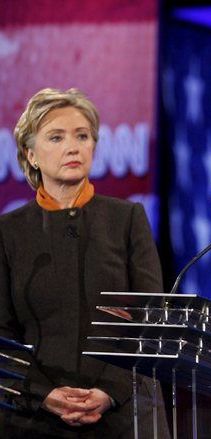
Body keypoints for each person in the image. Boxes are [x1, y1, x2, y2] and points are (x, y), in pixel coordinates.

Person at [0, 88, 169, 437]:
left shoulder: (127, 219)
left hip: (123, 413)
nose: (73, 146)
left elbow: (150, 319)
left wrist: (110, 392)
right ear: (31, 155)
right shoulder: (9, 232)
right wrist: (43, 393)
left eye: (82, 136)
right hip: (35, 418)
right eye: (56, 137)